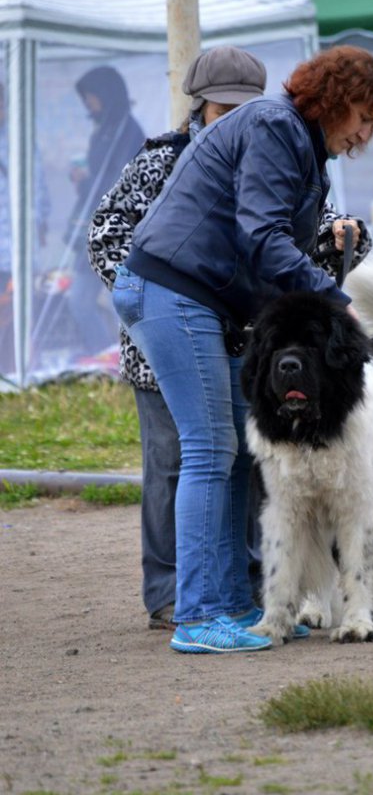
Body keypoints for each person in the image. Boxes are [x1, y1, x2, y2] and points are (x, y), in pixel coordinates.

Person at [112, 45, 373, 654]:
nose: (366, 135)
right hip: (172, 288)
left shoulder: (302, 145)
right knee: (210, 449)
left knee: (240, 453)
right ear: (338, 101)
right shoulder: (275, 126)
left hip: (200, 295)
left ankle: (235, 604)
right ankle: (196, 616)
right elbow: (263, 235)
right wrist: (336, 302)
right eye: (365, 119)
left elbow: (272, 247)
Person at [88, 46, 268, 629]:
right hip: (162, 347)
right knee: (171, 465)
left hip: (239, 345)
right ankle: (169, 593)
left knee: (245, 462)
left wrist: (347, 234)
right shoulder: (159, 160)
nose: (233, 120)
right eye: (222, 109)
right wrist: (157, 304)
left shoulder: (270, 162)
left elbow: (312, 229)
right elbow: (106, 233)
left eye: (245, 110)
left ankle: (245, 584)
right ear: (198, 106)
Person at [65, 66, 145, 358]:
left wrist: (87, 181)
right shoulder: (104, 130)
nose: (88, 103)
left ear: (106, 94)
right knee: (80, 300)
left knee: (116, 302)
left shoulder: (128, 131)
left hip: (116, 232)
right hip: (94, 229)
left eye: (91, 96)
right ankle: (106, 357)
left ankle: (123, 359)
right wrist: (83, 179)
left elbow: (121, 183)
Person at [0, 81, 50, 375]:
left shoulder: (19, 140)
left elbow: (39, 187)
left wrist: (40, 223)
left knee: (17, 314)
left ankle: (16, 370)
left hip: (17, 250)